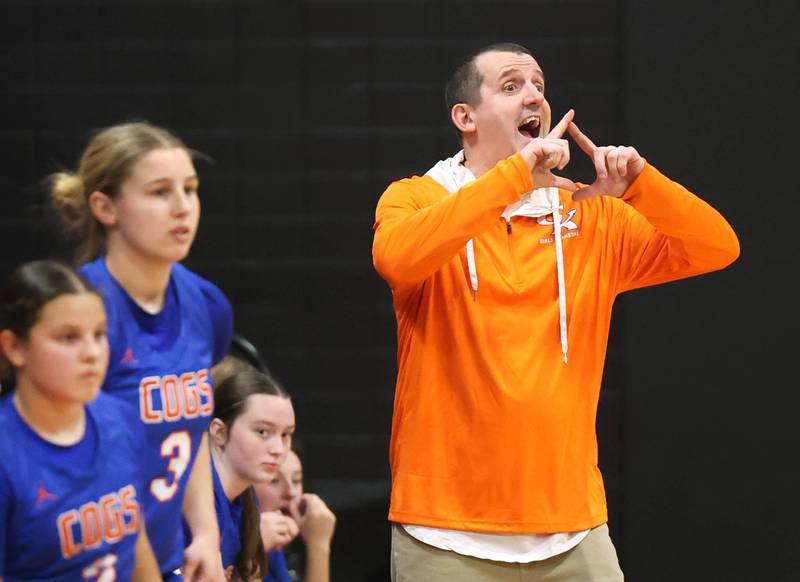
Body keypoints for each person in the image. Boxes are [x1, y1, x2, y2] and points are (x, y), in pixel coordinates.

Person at [372, 42, 740, 580]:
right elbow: (396, 259)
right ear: (465, 117)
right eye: (512, 85)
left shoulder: (592, 217)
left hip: (573, 532)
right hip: (443, 535)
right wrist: (513, 177)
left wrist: (642, 187)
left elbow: (717, 246)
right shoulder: (415, 200)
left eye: (540, 87)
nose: (534, 98)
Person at [50, 122, 233, 581]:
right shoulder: (80, 315)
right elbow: (68, 469)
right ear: (105, 207)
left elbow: (189, 434)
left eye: (190, 190)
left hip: (166, 558)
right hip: (90, 561)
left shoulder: (206, 304)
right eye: (159, 192)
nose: (182, 208)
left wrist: (207, 535)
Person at [0, 260, 161, 580]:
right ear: (15, 347)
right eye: (69, 337)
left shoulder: (121, 418)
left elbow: (135, 539)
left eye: (99, 334)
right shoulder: (7, 456)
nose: (92, 353)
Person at [205, 369, 296, 581]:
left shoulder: (246, 500)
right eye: (263, 432)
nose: (278, 449)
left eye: (285, 434)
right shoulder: (197, 501)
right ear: (219, 432)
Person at [254, 449, 336, 582]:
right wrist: (253, 552)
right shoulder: (226, 540)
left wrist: (319, 544)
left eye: (296, 480)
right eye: (274, 480)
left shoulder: (277, 550)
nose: (290, 492)